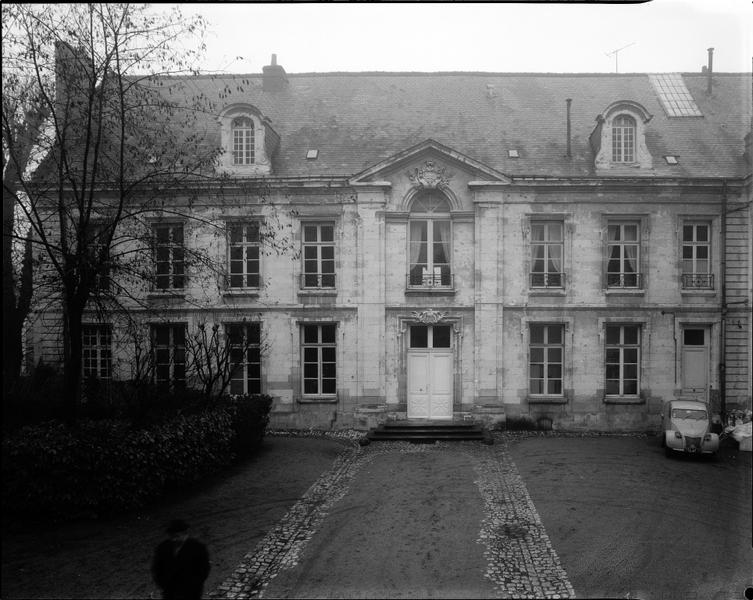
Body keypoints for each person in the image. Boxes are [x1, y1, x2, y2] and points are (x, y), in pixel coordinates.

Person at [152, 519, 210, 600]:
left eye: (177, 536)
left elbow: (204, 570)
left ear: (185, 534)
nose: (174, 539)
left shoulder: (198, 548)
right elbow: (157, 568)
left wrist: (194, 585)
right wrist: (163, 585)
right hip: (170, 592)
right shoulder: (163, 547)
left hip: (190, 592)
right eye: (172, 536)